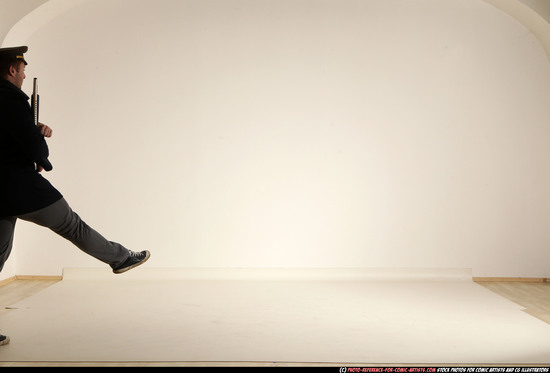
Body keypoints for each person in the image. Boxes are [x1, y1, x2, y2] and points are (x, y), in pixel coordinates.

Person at [0, 46, 150, 346]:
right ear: (12, 70)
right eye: (23, 69)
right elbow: (34, 148)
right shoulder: (13, 101)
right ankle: (120, 258)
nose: (25, 74)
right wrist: (40, 145)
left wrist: (30, 135)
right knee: (72, 226)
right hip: (22, 187)